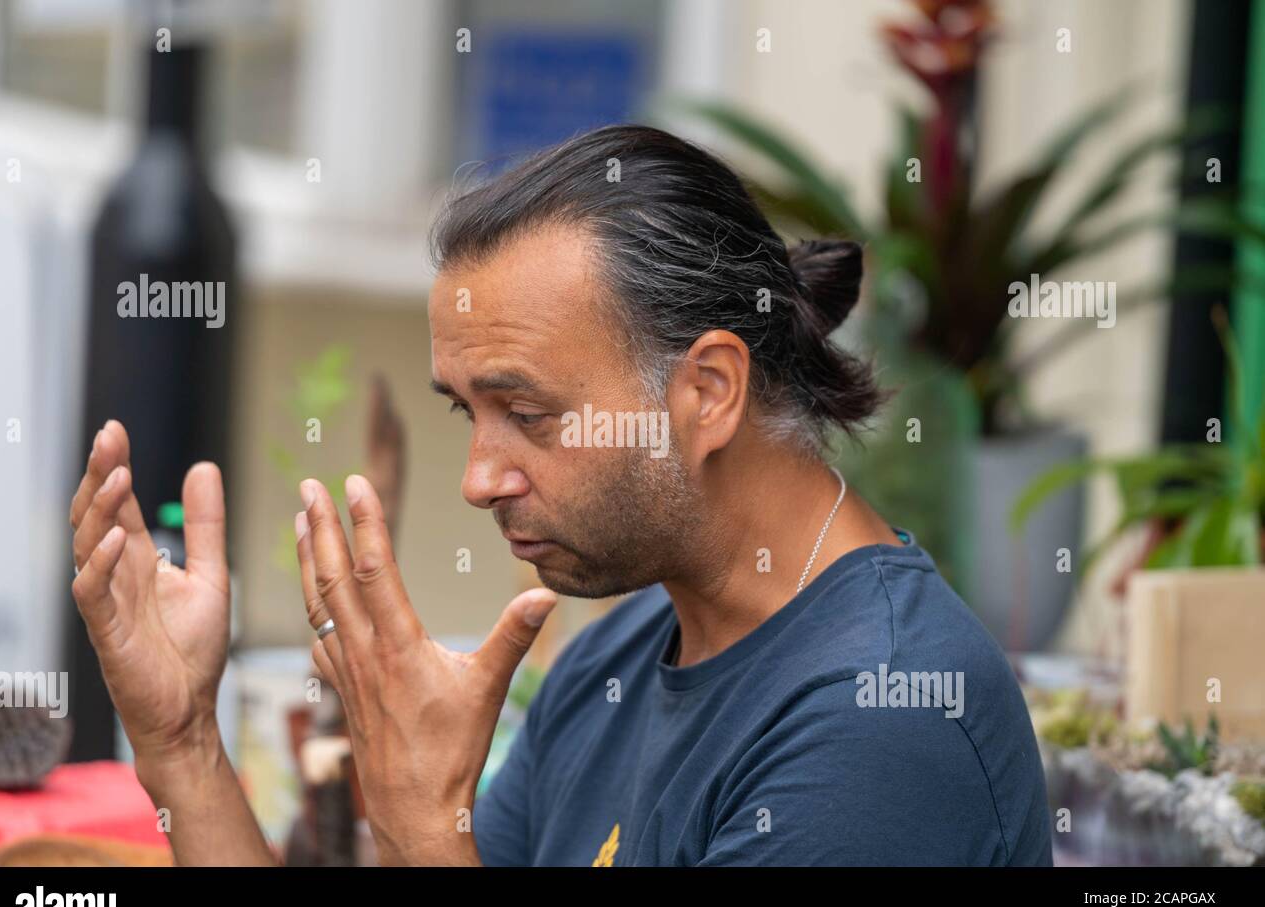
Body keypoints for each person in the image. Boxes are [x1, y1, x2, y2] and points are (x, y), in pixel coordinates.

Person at [69, 124, 1053, 866]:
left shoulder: (876, 723)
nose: (477, 479)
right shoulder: (625, 653)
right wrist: (184, 742)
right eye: (467, 413)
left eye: (528, 414)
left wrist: (423, 822)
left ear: (707, 392)